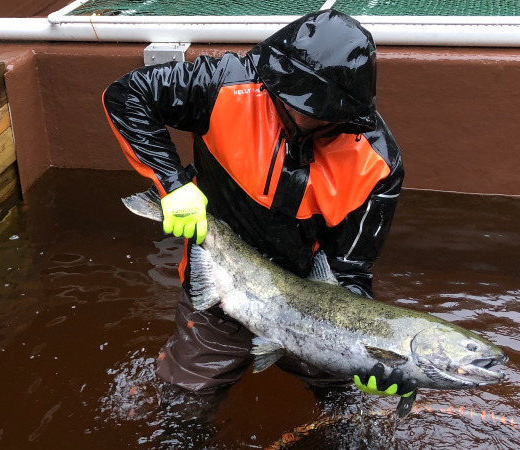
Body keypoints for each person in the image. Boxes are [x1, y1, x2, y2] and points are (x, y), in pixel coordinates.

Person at [103, 9, 414, 413]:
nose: (301, 116)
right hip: (220, 289)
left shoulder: (378, 164)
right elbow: (128, 95)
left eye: (319, 113)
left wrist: (367, 353)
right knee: (183, 408)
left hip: (313, 311)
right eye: (291, 101)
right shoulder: (224, 83)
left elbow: (352, 272)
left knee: (348, 411)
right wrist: (173, 186)